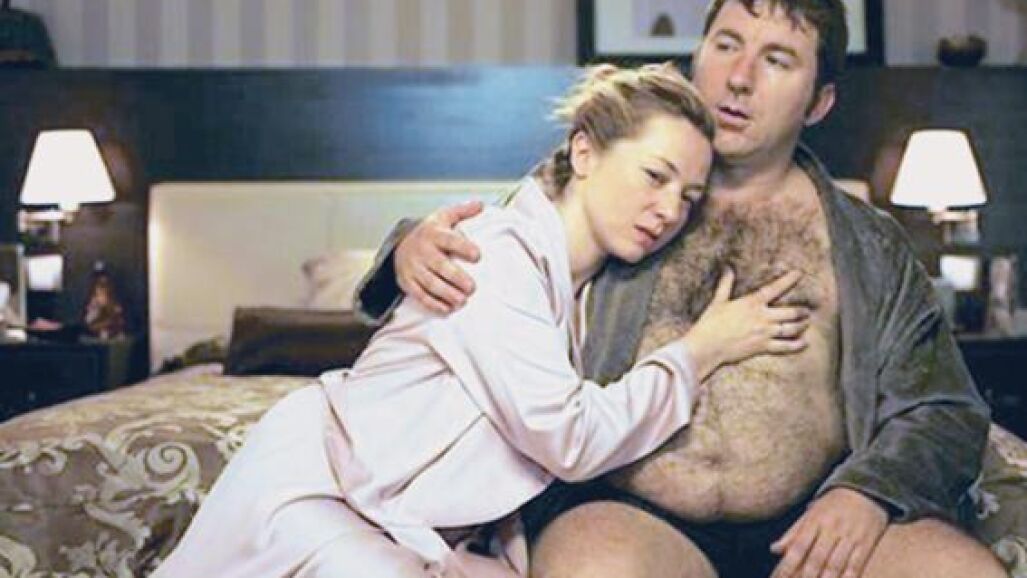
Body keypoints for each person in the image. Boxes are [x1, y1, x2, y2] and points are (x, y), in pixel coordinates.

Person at [356, 1, 1006, 577]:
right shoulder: (621, 185)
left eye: (776, 59)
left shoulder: (869, 244)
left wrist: (866, 493)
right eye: (726, 44)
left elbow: (944, 407)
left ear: (818, 103)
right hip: (628, 513)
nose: (739, 77)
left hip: (813, 518)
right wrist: (408, 246)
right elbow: (505, 249)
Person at [153, 63, 814, 578]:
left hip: (396, 519)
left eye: (689, 197)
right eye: (654, 176)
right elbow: (569, 437)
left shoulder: (582, 290)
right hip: (323, 491)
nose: (669, 210)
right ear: (584, 154)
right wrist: (700, 351)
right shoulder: (490, 256)